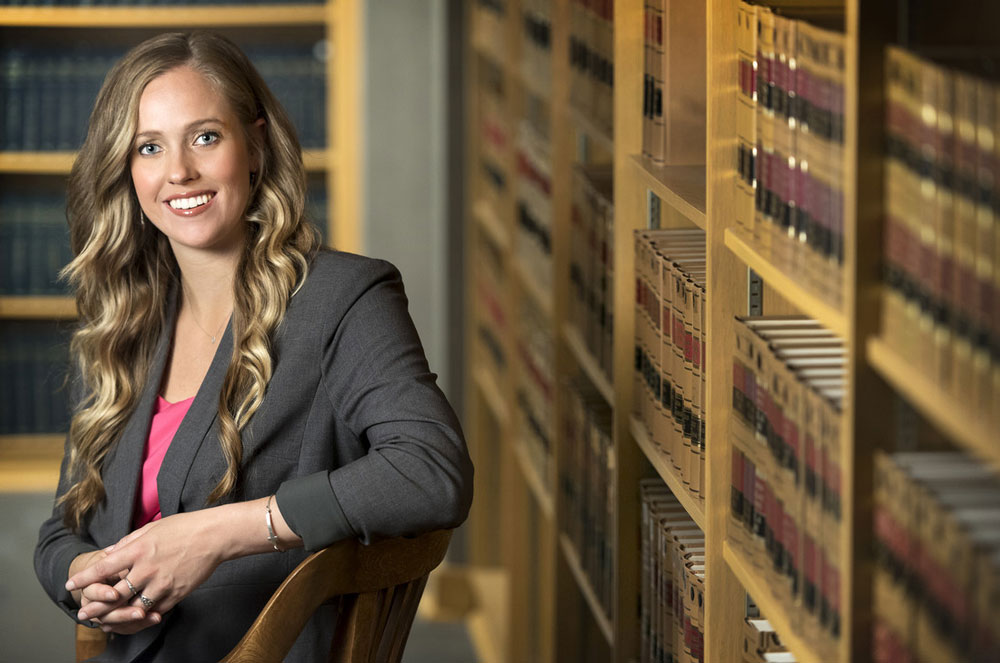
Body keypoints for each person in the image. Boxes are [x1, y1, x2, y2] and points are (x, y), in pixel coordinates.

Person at [34, 31, 473, 662]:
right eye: (149, 147)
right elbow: (60, 532)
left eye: (205, 137)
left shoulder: (343, 297)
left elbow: (431, 471)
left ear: (256, 145)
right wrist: (92, 583)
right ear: (127, 171)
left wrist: (220, 533)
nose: (179, 171)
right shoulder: (125, 321)